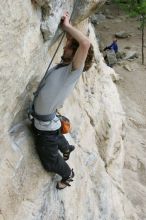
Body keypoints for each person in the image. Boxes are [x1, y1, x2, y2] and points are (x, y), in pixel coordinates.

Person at [31, 12, 94, 190]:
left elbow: (85, 44)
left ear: (75, 55)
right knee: (54, 133)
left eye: (68, 47)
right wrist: (68, 25)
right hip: (48, 122)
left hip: (45, 129)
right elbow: (75, 44)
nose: (64, 48)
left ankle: (68, 175)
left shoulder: (72, 71)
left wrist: (67, 26)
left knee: (50, 162)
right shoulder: (65, 67)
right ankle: (66, 148)